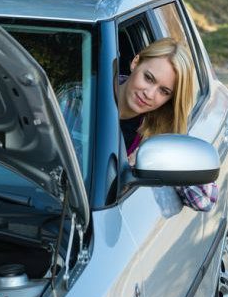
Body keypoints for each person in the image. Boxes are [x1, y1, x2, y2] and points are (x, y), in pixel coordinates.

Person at [60, 37, 217, 211]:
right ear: (135, 62)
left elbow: (205, 199)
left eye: (164, 91)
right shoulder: (77, 100)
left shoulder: (161, 133)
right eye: (149, 78)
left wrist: (157, 158)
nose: (149, 94)